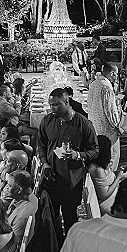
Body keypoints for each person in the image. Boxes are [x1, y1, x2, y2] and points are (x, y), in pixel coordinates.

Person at [37, 88, 99, 235]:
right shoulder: (47, 121)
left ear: (66, 102)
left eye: (56, 105)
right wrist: (45, 163)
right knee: (51, 218)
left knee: (70, 217)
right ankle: (54, 248)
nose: (52, 108)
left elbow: (95, 150)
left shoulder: (83, 124)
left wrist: (78, 154)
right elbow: (41, 145)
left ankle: (70, 248)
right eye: (50, 104)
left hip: (72, 180)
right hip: (51, 177)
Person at [87, 63, 123, 170]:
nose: (117, 77)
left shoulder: (94, 83)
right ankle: (110, 181)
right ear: (112, 74)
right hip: (107, 129)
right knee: (112, 158)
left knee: (100, 158)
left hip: (95, 127)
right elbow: (110, 111)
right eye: (116, 74)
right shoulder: (106, 86)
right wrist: (118, 126)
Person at [86, 135, 127, 214]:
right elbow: (104, 195)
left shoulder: (101, 164)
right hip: (108, 204)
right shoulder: (98, 170)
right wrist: (119, 178)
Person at [4, 171, 38, 249]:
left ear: (19, 190)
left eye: (9, 186)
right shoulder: (22, 198)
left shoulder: (22, 216)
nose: (5, 188)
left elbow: (12, 247)